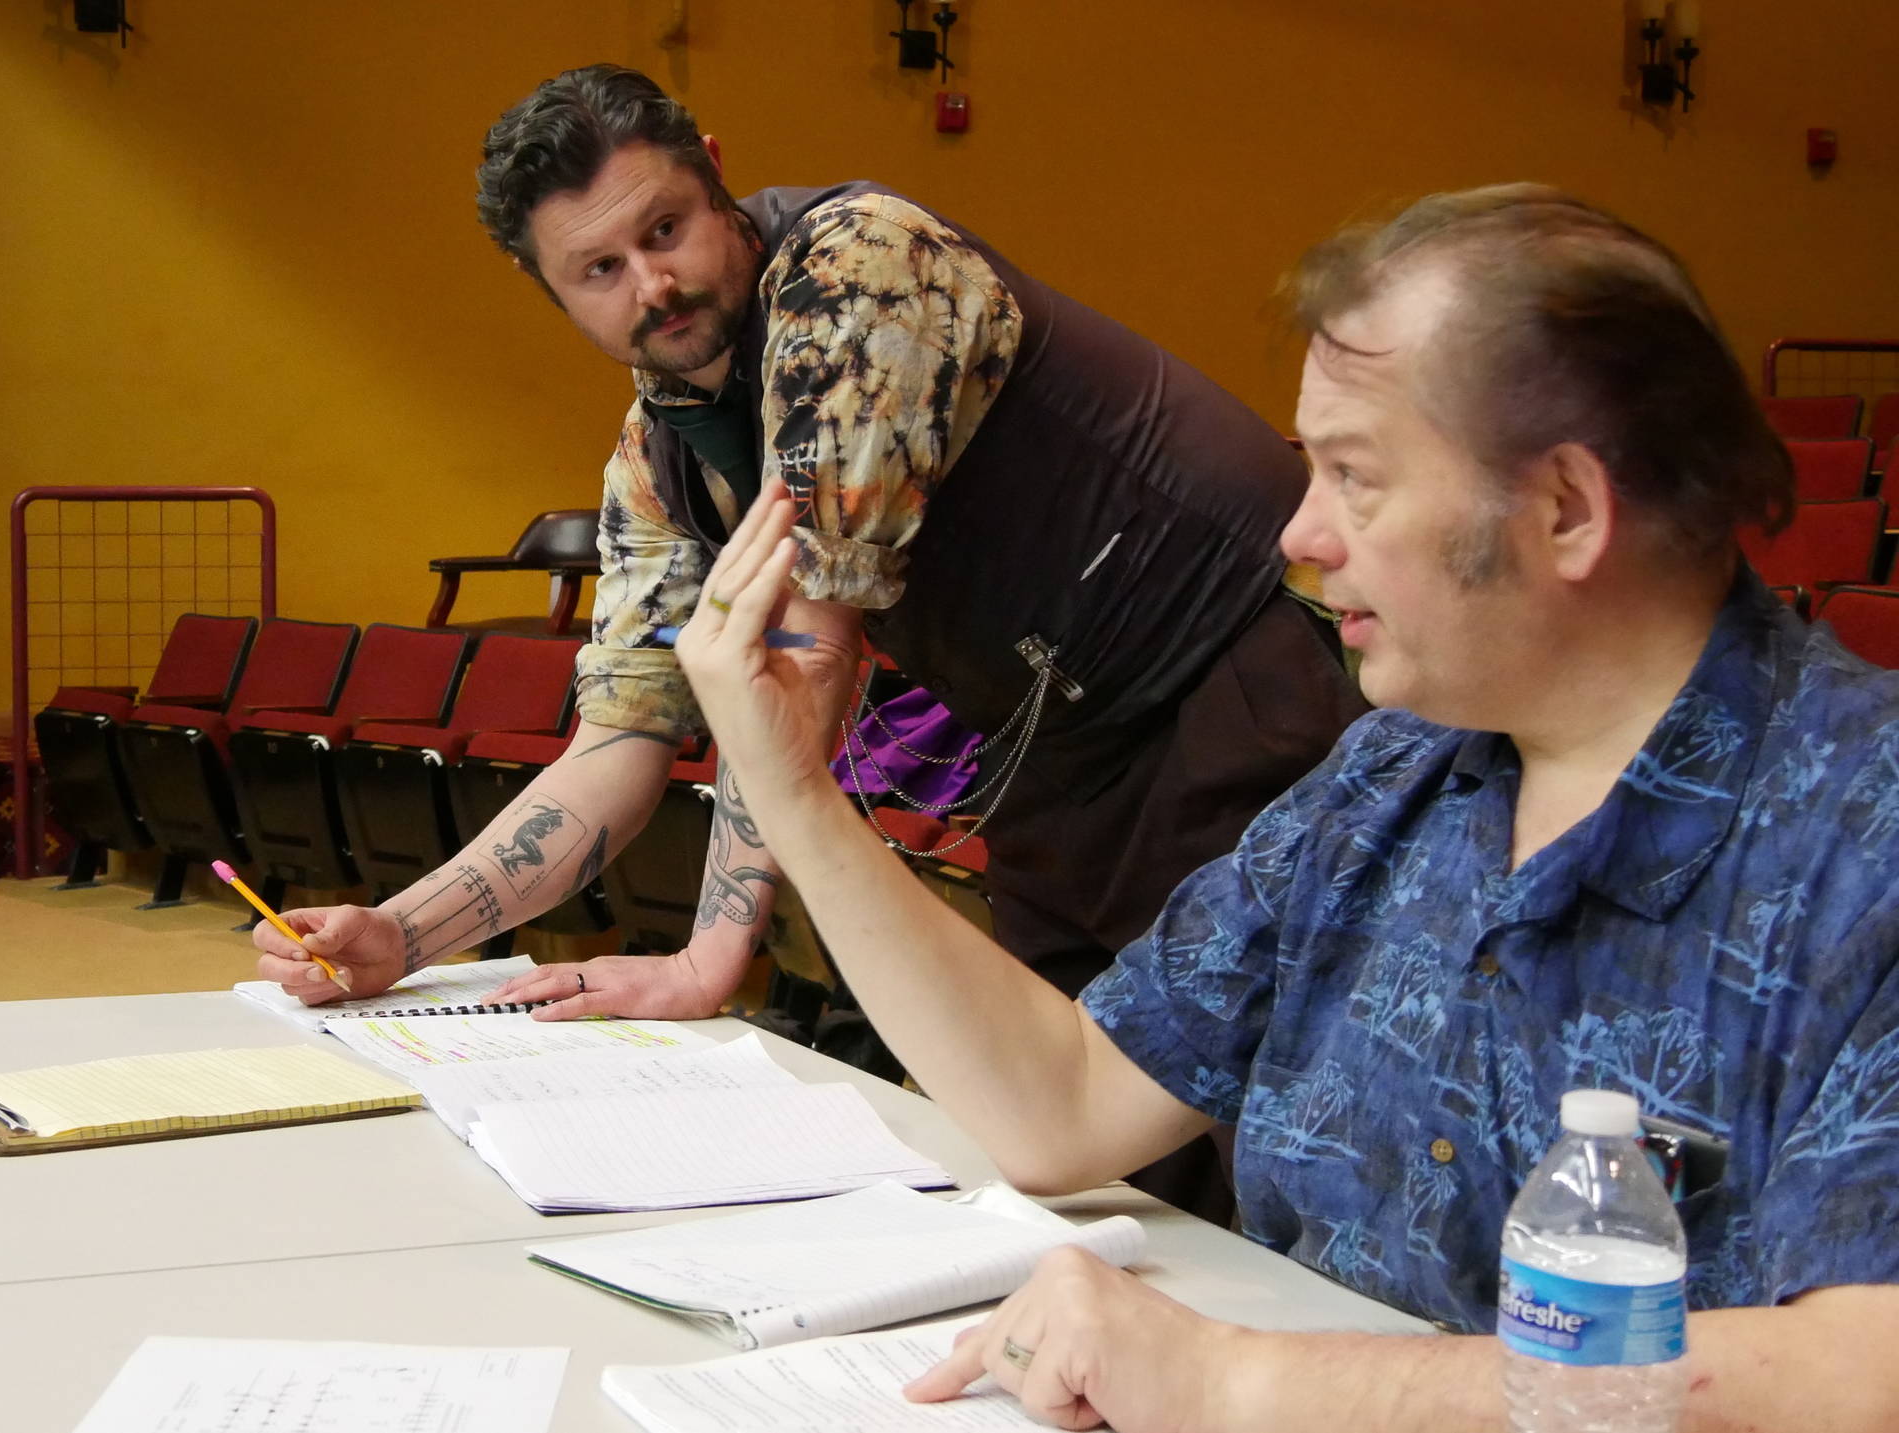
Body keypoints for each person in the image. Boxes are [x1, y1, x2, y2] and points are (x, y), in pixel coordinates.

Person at [671, 185, 1899, 1430]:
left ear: (1564, 510)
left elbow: (1863, 1371)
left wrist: (1236, 1379)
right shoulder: (1393, 772)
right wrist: (794, 787)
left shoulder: (1863, 831)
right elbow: (1066, 1100)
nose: (1298, 531)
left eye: (1353, 476)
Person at [250, 64, 1359, 1165]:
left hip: (1233, 683)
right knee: (1081, 1158)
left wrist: (708, 958)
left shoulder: (856, 266)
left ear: (715, 174)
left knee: (1283, 1147)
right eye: (600, 268)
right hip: (1059, 764)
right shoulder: (657, 457)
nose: (653, 285)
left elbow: (802, 657)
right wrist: (400, 932)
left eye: (666, 229)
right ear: (550, 288)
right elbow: (620, 737)